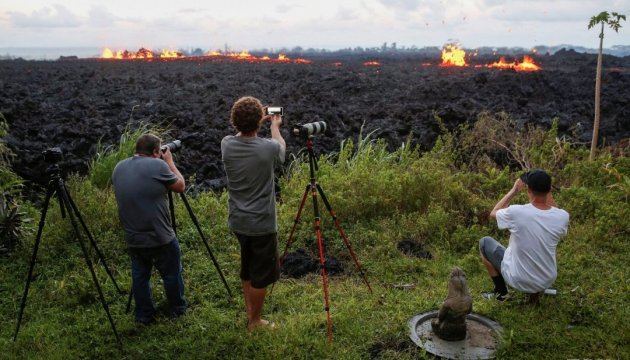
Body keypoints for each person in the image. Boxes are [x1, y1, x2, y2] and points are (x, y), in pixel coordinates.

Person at [221, 96, 286, 330]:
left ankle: (251, 314)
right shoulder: (267, 148)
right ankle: (255, 321)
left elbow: (244, 135)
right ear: (260, 121)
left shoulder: (226, 143)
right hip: (261, 223)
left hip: (238, 220)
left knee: (247, 267)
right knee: (261, 274)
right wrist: (274, 127)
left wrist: (258, 119)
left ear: (234, 121)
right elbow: (281, 150)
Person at [112, 133, 187, 324]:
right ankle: (177, 309)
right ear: (156, 152)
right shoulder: (158, 165)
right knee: (171, 273)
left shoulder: (119, 167)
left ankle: (143, 315)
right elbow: (180, 186)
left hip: (133, 237)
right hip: (159, 236)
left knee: (140, 275)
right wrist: (169, 161)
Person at [479, 169, 569, 304]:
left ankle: (501, 293)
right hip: (546, 279)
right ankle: (534, 296)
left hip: (518, 279)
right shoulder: (562, 216)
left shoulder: (517, 212)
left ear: (528, 190)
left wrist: (514, 190)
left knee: (484, 243)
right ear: (549, 189)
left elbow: (494, 213)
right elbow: (553, 210)